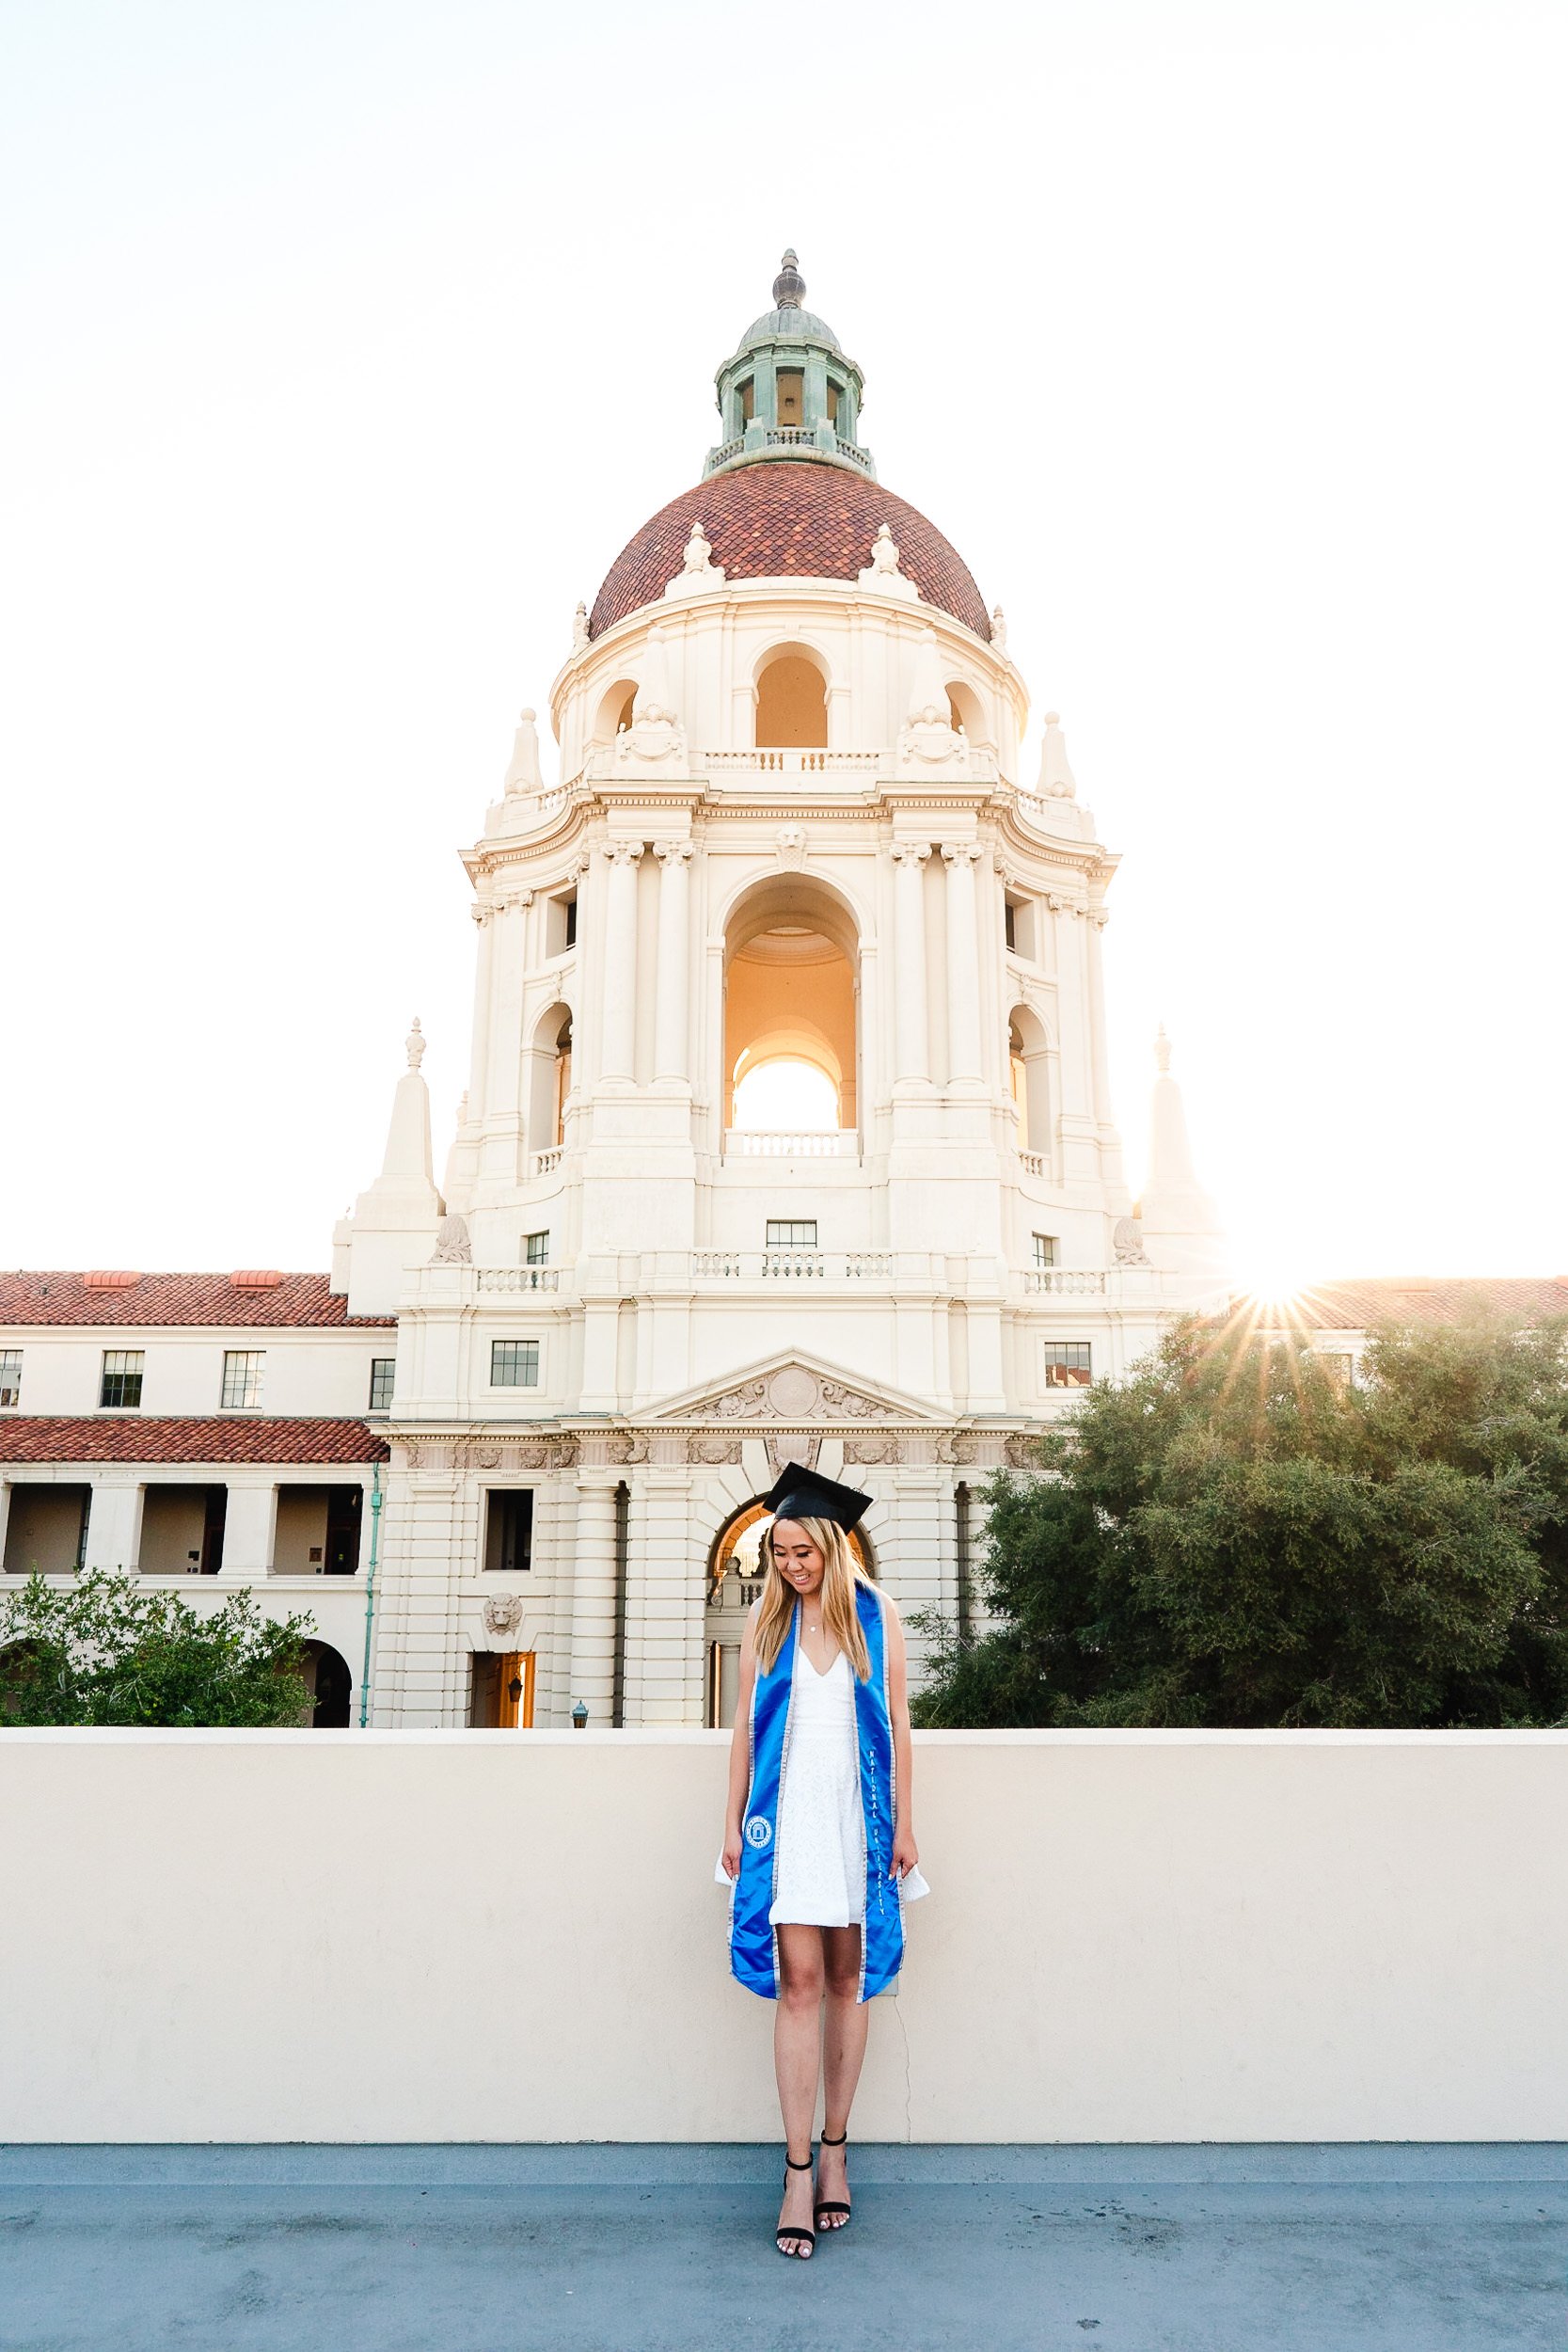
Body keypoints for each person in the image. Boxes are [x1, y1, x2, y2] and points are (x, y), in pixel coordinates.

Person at [717, 1463, 927, 2259]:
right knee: (798, 1985)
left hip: (858, 1817)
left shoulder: (876, 1617)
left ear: (833, 1549)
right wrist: (731, 1822)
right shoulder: (765, 1625)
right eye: (778, 1553)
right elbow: (742, 1730)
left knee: (850, 1981)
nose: (790, 1566)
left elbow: (901, 1724)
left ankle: (837, 2149)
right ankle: (797, 2171)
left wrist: (906, 1822)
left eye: (802, 1552)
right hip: (789, 1819)